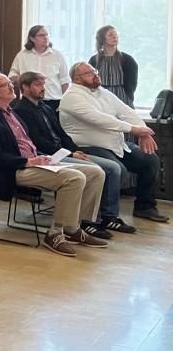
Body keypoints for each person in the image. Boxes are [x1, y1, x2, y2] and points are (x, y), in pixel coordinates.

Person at [0, 71, 109, 257]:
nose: (11, 86)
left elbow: (29, 145)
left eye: (9, 83)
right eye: (5, 85)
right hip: (15, 170)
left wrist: (45, 157)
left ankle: (73, 228)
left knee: (96, 172)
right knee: (74, 177)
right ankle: (54, 234)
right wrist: (29, 161)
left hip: (36, 162)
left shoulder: (12, 114)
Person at [14, 71, 128, 236]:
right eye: (38, 85)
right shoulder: (22, 110)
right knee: (106, 168)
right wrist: (70, 154)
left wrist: (75, 150)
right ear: (25, 87)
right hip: (49, 155)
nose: (43, 89)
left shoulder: (44, 107)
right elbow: (38, 142)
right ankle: (91, 220)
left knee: (108, 168)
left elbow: (62, 134)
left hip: (65, 152)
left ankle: (97, 218)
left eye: (43, 85)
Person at [59, 62, 169, 223]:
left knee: (150, 160)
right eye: (89, 72)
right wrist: (133, 130)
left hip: (114, 145)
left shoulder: (102, 92)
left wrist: (144, 132)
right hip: (88, 147)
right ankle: (108, 216)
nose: (96, 74)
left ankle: (145, 207)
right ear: (77, 79)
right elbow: (100, 120)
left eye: (95, 70)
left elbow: (126, 111)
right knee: (118, 169)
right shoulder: (71, 97)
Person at [8, 25, 70, 107]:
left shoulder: (57, 55)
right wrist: (23, 78)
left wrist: (64, 102)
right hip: (29, 101)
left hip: (53, 101)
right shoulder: (22, 55)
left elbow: (64, 80)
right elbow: (11, 75)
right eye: (41, 35)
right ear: (32, 38)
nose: (46, 37)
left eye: (47, 35)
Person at [89, 25, 138, 107]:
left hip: (122, 99)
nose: (115, 36)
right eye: (110, 34)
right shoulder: (94, 60)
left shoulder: (127, 59)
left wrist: (127, 96)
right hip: (100, 100)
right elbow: (90, 81)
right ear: (102, 39)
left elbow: (132, 83)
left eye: (115, 34)